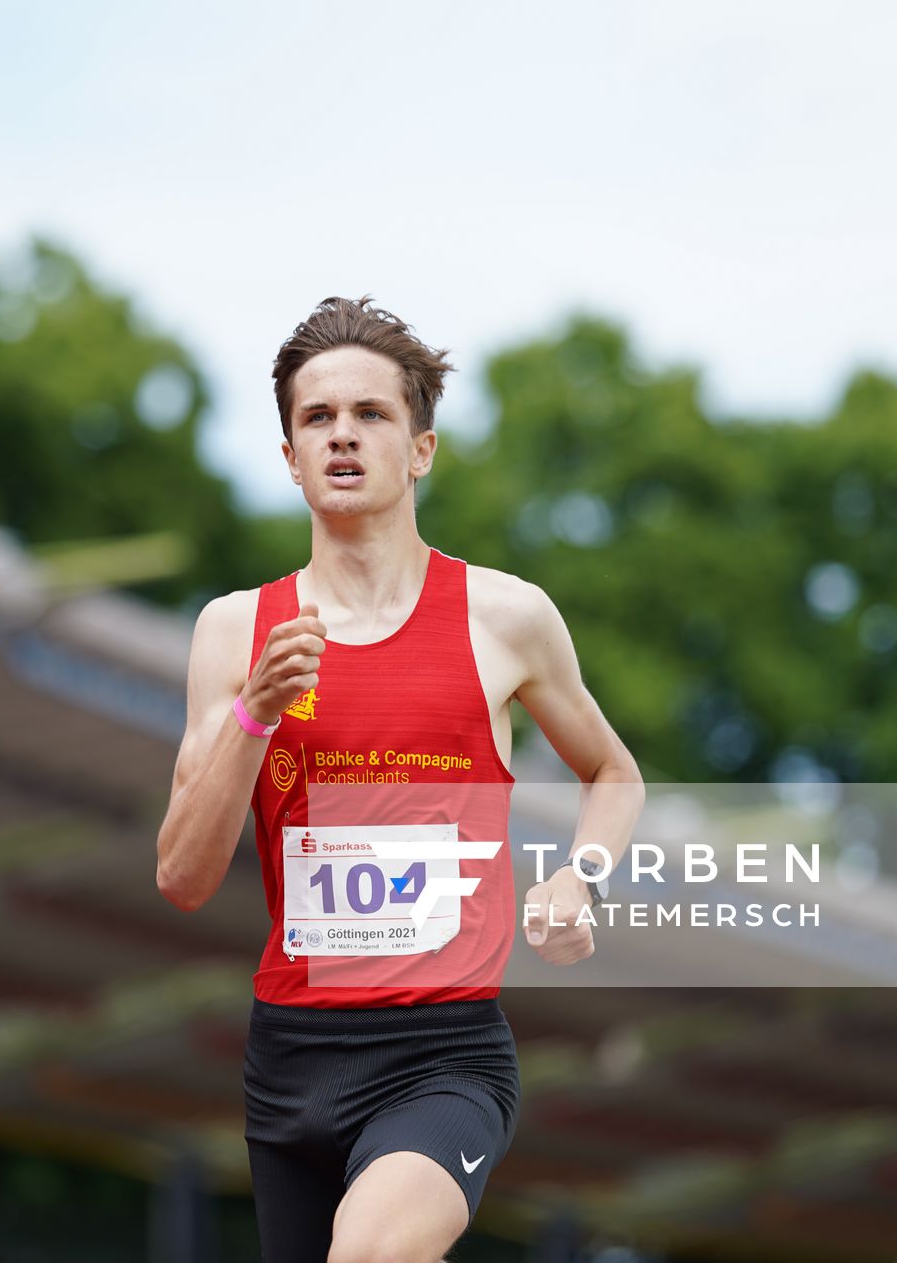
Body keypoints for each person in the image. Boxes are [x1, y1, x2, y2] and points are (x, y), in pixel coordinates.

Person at [156, 296, 645, 1262]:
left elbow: (614, 773)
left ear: (420, 449)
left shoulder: (505, 619)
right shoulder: (233, 634)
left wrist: (578, 877)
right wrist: (256, 711)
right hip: (290, 1061)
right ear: (290, 457)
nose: (343, 437)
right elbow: (183, 876)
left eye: (371, 415)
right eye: (317, 419)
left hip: (444, 1055)